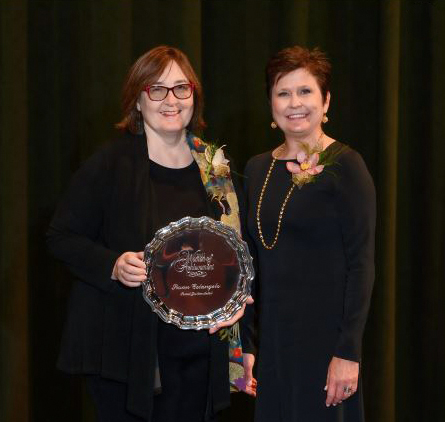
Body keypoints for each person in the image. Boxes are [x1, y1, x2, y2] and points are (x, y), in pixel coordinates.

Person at [47, 45, 251, 422]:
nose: (171, 100)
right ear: (138, 101)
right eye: (156, 89)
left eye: (181, 88)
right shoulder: (111, 164)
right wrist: (113, 265)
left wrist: (239, 318)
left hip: (200, 355)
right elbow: (61, 236)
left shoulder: (215, 165)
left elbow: (235, 255)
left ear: (194, 96)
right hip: (129, 357)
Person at [241, 46, 376, 421]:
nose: (294, 103)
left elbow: (362, 265)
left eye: (305, 91)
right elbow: (248, 264)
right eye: (283, 93)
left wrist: (348, 353)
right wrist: (244, 347)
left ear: (326, 100)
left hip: (326, 346)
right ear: (270, 103)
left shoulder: (347, 166)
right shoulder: (255, 169)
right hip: (273, 345)